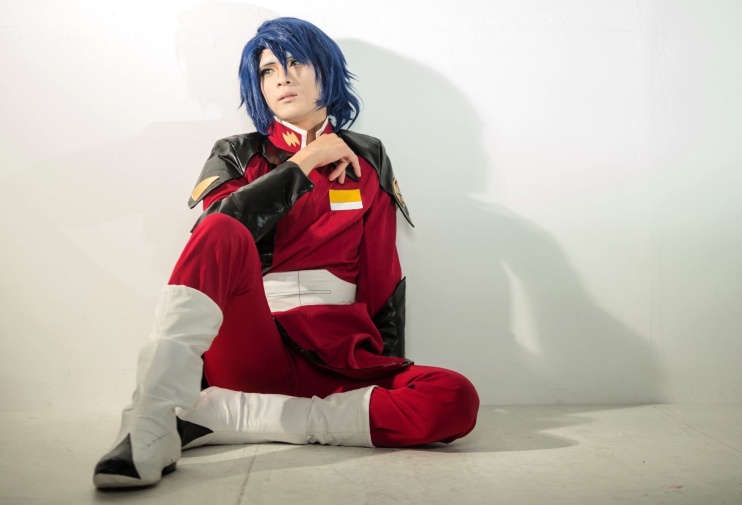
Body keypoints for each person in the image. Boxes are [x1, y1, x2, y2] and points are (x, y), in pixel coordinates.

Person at [93, 17, 479, 489]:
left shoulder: (369, 156)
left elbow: (382, 276)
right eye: (268, 70)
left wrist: (384, 370)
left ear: (325, 71)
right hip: (249, 348)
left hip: (337, 355)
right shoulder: (236, 153)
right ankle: (150, 421)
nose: (282, 77)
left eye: (296, 62)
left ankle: (223, 417)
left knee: (454, 397)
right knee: (221, 228)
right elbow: (215, 235)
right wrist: (306, 160)